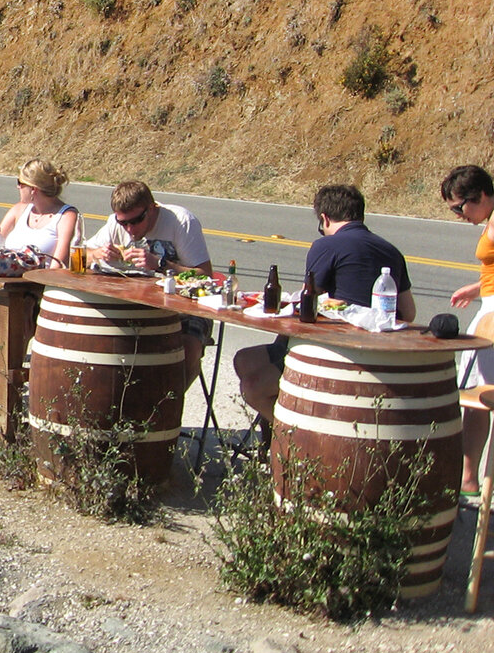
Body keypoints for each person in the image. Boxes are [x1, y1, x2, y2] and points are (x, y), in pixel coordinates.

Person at [234, 184, 416, 425]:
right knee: (244, 359)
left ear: (324, 219)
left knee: (253, 388)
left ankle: (293, 440)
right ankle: (272, 433)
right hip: (381, 355)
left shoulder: (326, 246)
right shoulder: (391, 251)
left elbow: (307, 304)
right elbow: (409, 312)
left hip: (335, 350)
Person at [0, 159, 81, 435]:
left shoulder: (66, 215)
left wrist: (31, 265)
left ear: (33, 188)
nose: (17, 189)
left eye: (20, 184)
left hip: (39, 292)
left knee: (18, 326)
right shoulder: (18, 211)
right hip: (7, 288)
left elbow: (59, 261)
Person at [87, 179, 214, 384]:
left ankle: (169, 407)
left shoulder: (181, 221)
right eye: (123, 223)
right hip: (136, 305)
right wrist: (98, 254)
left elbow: (205, 275)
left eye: (136, 221)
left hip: (184, 306)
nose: (129, 229)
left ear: (152, 209)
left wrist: (161, 264)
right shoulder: (115, 225)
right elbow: (80, 254)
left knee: (188, 349)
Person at [443, 165, 494, 497]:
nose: (459, 215)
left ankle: (469, 478)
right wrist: (478, 288)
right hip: (488, 305)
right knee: (478, 396)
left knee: (479, 397)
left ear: (481, 196)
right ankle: (468, 477)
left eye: (460, 207)